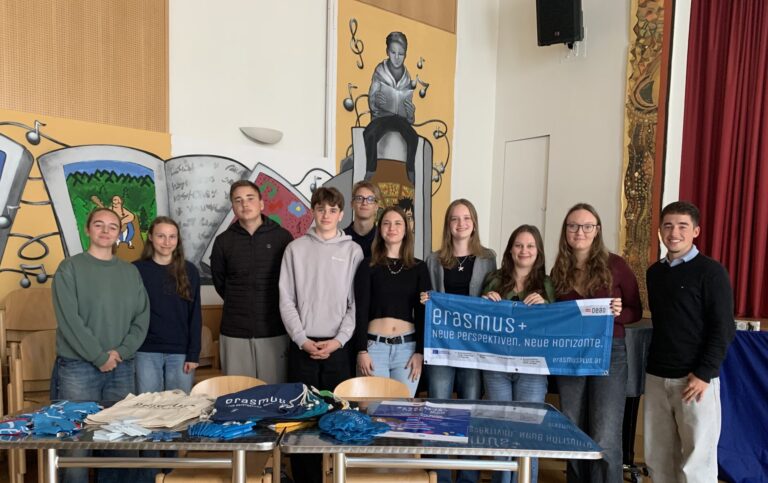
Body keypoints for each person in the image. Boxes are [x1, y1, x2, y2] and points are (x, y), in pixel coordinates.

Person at [51, 207, 150, 482]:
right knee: (76, 442)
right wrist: (98, 356)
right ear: (87, 229)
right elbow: (69, 320)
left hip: (121, 366)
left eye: (112, 226)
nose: (105, 231)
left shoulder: (130, 272)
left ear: (119, 233)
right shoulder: (69, 268)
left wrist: (121, 352)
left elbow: (142, 317)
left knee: (120, 442)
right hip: (78, 368)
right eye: (99, 224)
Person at [550, 202, 642, 483]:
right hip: (570, 355)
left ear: (597, 230)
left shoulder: (616, 265)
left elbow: (635, 310)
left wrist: (619, 313)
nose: (580, 231)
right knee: (573, 428)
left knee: (605, 433)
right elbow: (553, 316)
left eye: (587, 226)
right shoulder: (558, 271)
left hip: (608, 353)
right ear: (565, 231)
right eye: (573, 226)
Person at [644, 201, 735, 483]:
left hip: (695, 380)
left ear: (696, 231)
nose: (674, 233)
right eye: (668, 226)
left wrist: (704, 373)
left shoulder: (711, 272)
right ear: (660, 230)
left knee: (697, 464)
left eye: (682, 226)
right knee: (658, 460)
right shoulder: (654, 273)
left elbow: (724, 328)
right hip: (657, 377)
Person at [279, 186, 363, 483]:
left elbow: (356, 305)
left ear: (341, 214)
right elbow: (286, 300)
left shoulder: (353, 252)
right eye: (320, 209)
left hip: (338, 350)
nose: (326, 215)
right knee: (302, 423)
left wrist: (338, 341)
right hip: (302, 347)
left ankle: (336, 477)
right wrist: (302, 339)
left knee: (339, 420)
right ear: (312, 212)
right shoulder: (295, 249)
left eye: (332, 210)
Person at [421, 199, 496, 483]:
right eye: (455, 218)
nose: (461, 224)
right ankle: (438, 476)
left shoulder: (488, 258)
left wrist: (492, 297)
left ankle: (467, 477)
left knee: (469, 411)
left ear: (474, 223)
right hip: (442, 346)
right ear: (448, 225)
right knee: (438, 410)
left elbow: (494, 293)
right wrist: (425, 299)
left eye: (466, 218)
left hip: (474, 347)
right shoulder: (434, 259)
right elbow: (428, 296)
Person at [482, 225, 555, 483]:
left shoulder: (547, 283)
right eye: (519, 245)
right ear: (510, 250)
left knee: (528, 432)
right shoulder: (494, 279)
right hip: (497, 366)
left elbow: (558, 322)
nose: (524, 250)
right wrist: (484, 302)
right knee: (501, 431)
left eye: (530, 246)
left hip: (532, 368)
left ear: (538, 251)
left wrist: (546, 306)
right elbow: (478, 320)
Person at [211, 180, 293, 383]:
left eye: (250, 198)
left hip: (274, 330)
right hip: (235, 331)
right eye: (238, 200)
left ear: (261, 203)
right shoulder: (223, 241)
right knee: (238, 393)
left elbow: (291, 282)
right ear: (233, 206)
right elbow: (220, 283)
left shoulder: (282, 237)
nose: (244, 204)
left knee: (274, 394)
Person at [354, 206, 431, 396]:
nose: (392, 228)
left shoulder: (419, 268)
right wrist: (361, 350)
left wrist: (420, 352)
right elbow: (360, 310)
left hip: (407, 350)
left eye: (398, 223)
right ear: (380, 229)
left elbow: (423, 313)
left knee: (401, 410)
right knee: (375, 410)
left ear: (406, 230)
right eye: (386, 223)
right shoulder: (367, 265)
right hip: (374, 349)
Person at [134, 216, 202, 394]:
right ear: (150, 237)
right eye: (161, 236)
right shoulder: (136, 270)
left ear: (178, 240)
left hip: (180, 352)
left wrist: (193, 354)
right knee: (147, 405)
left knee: (179, 406)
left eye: (172, 236)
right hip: (145, 351)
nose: (167, 242)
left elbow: (195, 315)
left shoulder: (190, 271)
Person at [363, 31, 419, 183]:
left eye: (401, 54)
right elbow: (372, 96)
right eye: (393, 52)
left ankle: (410, 170)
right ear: (387, 51)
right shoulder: (380, 71)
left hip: (399, 119)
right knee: (370, 133)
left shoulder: (407, 76)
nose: (396, 57)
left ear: (405, 54)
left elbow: (407, 104)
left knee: (413, 137)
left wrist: (410, 113)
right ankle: (371, 169)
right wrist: (376, 101)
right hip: (382, 117)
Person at [344, 180, 382, 259]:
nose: (364, 203)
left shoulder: (383, 239)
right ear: (352, 204)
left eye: (370, 199)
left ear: (376, 206)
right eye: (359, 198)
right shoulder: (341, 238)